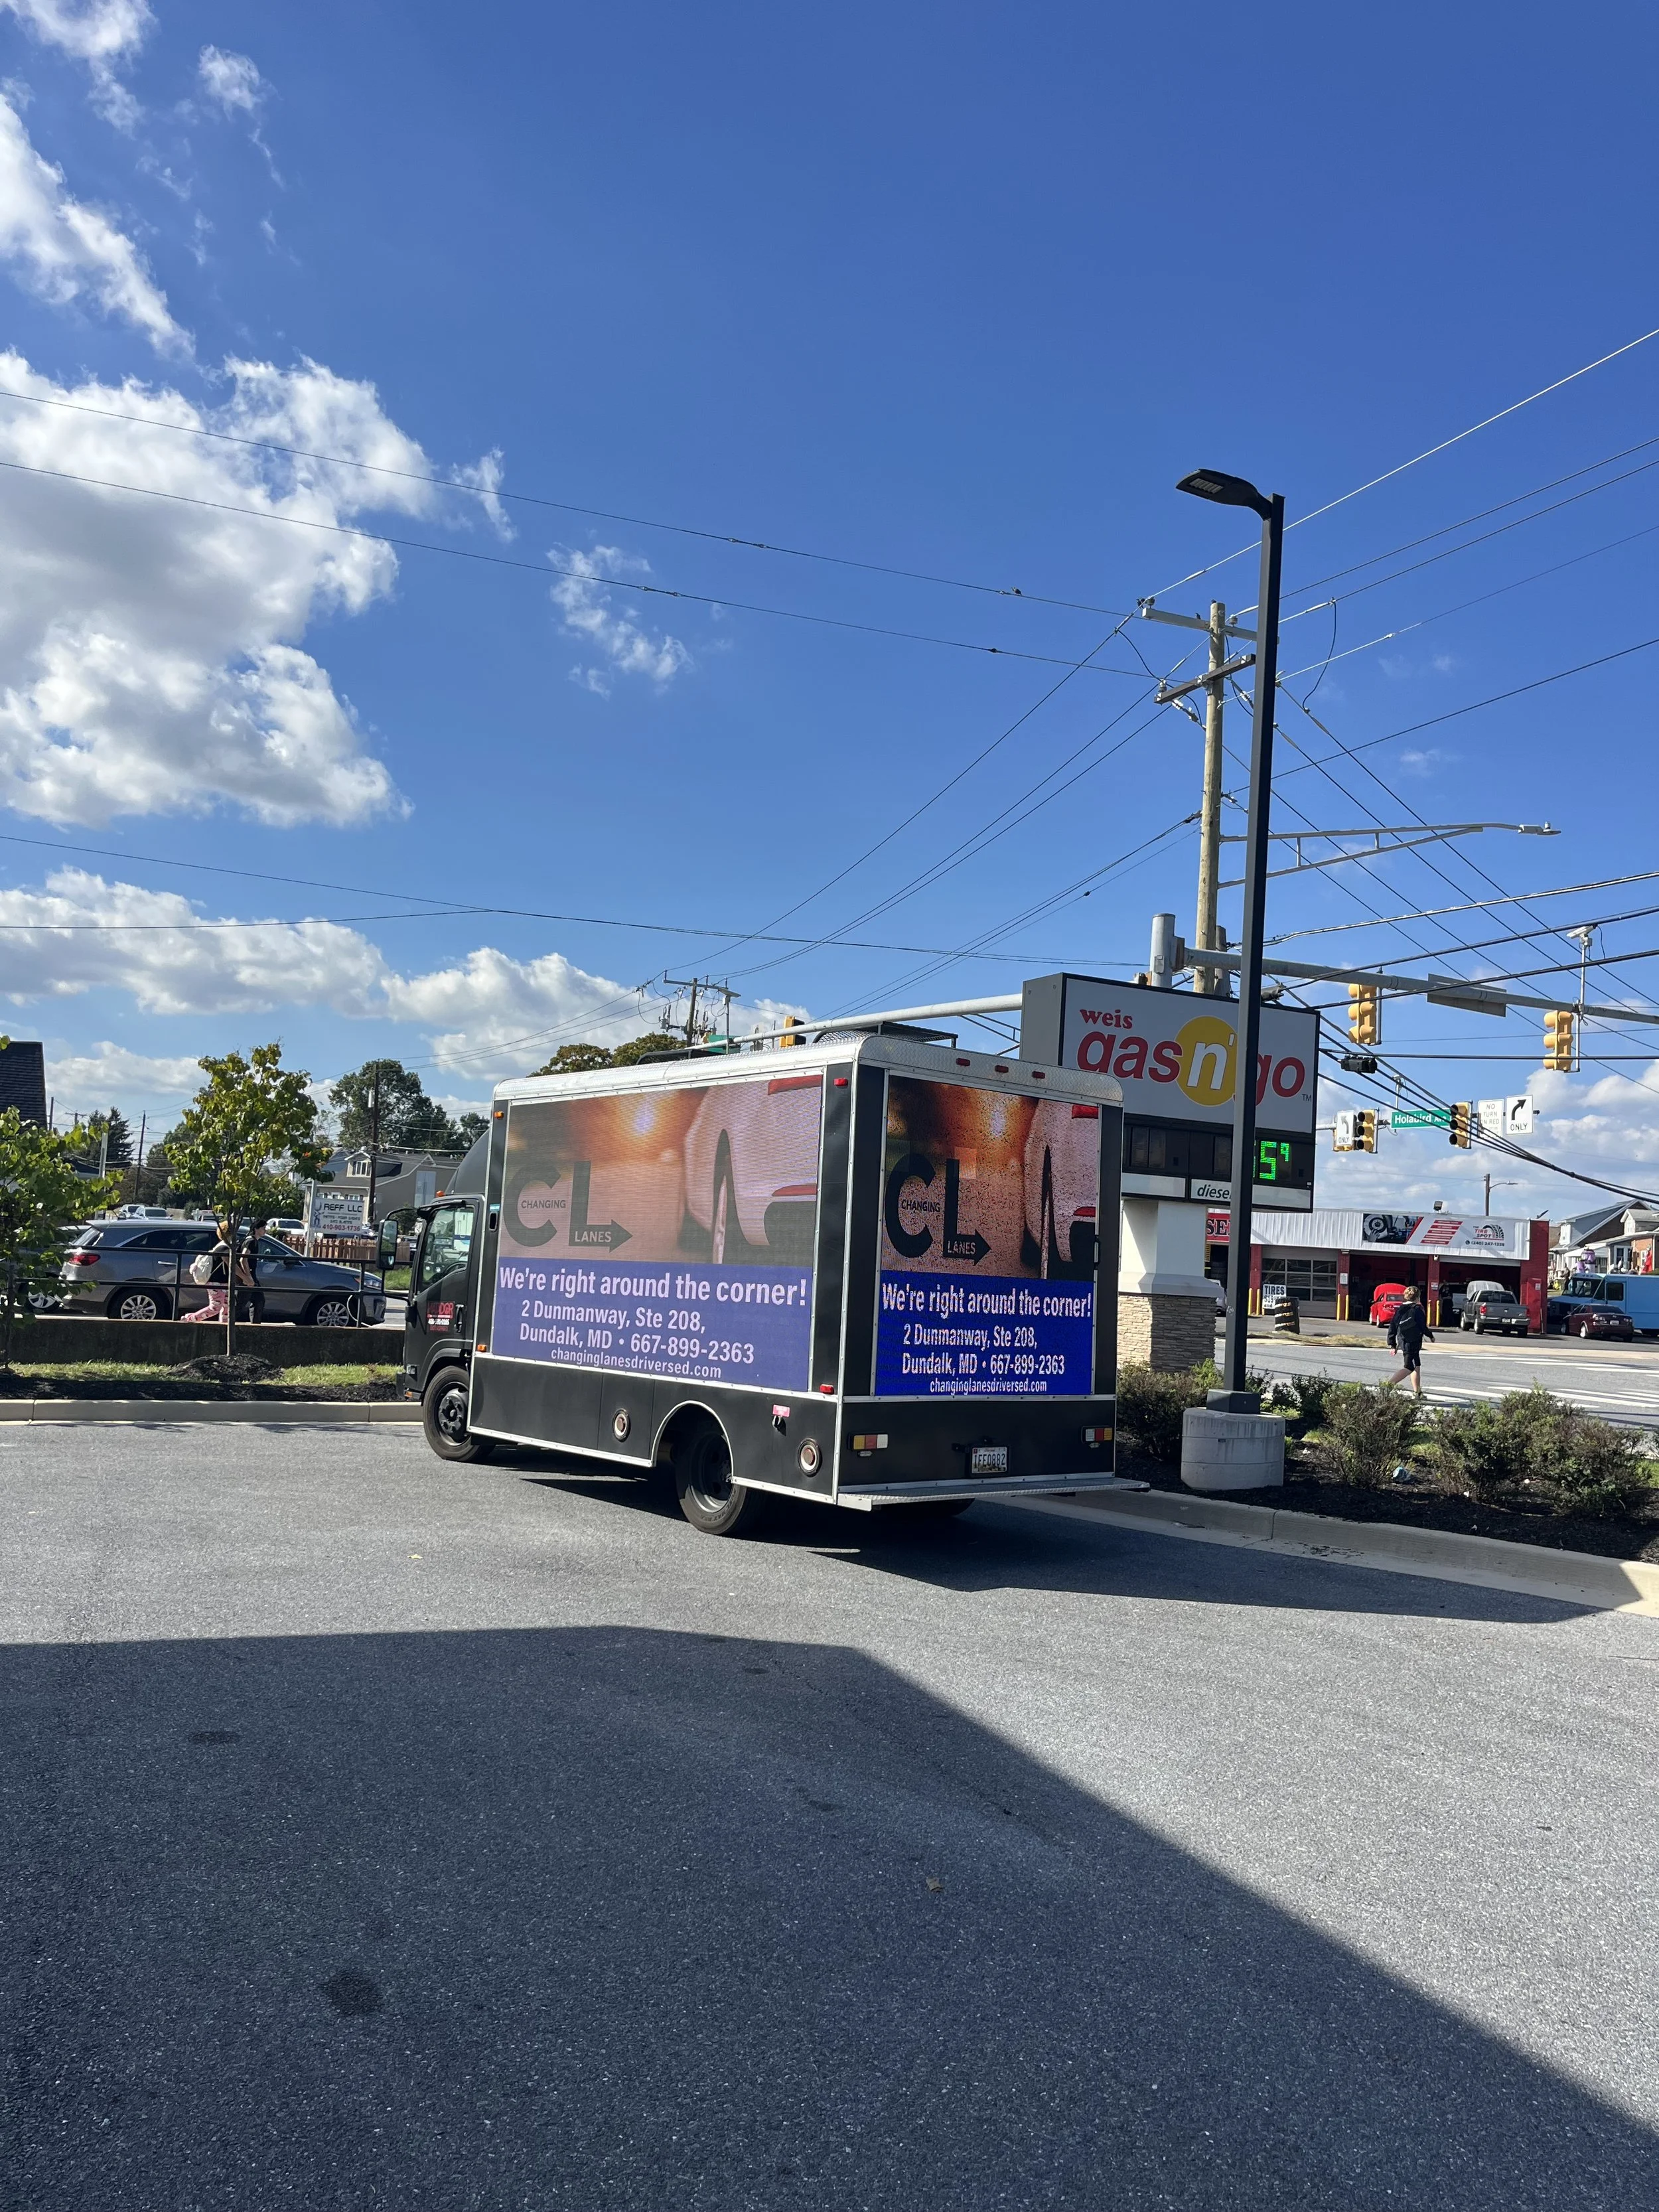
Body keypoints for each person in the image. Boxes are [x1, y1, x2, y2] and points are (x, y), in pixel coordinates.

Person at [1386, 1286, 1433, 1396]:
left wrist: (1392, 1344)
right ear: (1418, 1297)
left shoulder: (1401, 1309)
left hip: (1403, 1340)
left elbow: (1393, 1326)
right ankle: (1387, 1386)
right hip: (1412, 1342)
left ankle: (1418, 1392)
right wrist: (1430, 1336)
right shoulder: (1417, 1309)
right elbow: (1422, 1326)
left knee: (1416, 1365)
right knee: (1409, 1367)